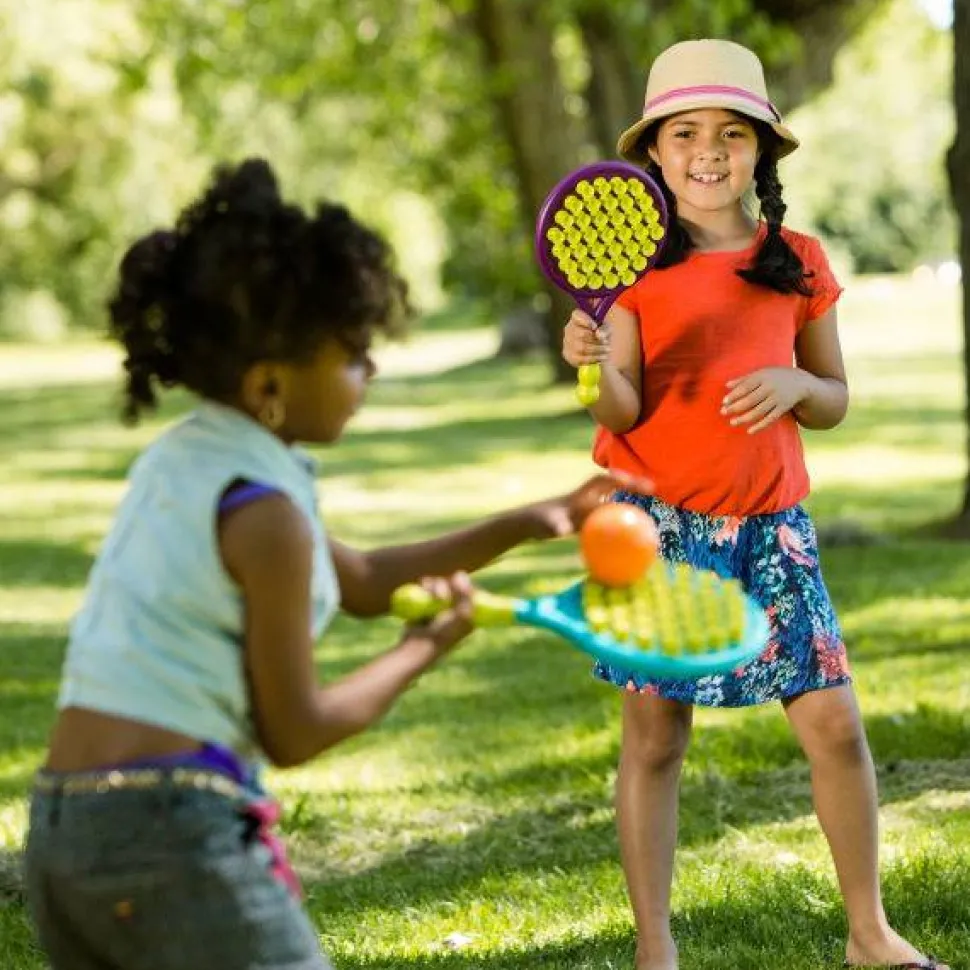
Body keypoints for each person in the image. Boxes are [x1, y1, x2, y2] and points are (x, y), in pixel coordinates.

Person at [23, 157, 646, 970]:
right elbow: (295, 729)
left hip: (62, 829)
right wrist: (423, 649)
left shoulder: (189, 462)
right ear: (269, 384)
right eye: (352, 354)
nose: (370, 371)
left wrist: (532, 521)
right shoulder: (267, 517)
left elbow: (360, 581)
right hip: (169, 834)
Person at [563, 39, 947, 970]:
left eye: (731, 133)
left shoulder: (798, 261)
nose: (708, 150)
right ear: (655, 153)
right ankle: (656, 948)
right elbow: (622, 409)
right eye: (685, 132)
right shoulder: (633, 272)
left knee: (835, 726)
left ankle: (869, 935)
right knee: (657, 738)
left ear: (761, 151)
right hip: (660, 532)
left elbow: (834, 397)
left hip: (774, 530)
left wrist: (795, 384)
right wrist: (593, 365)